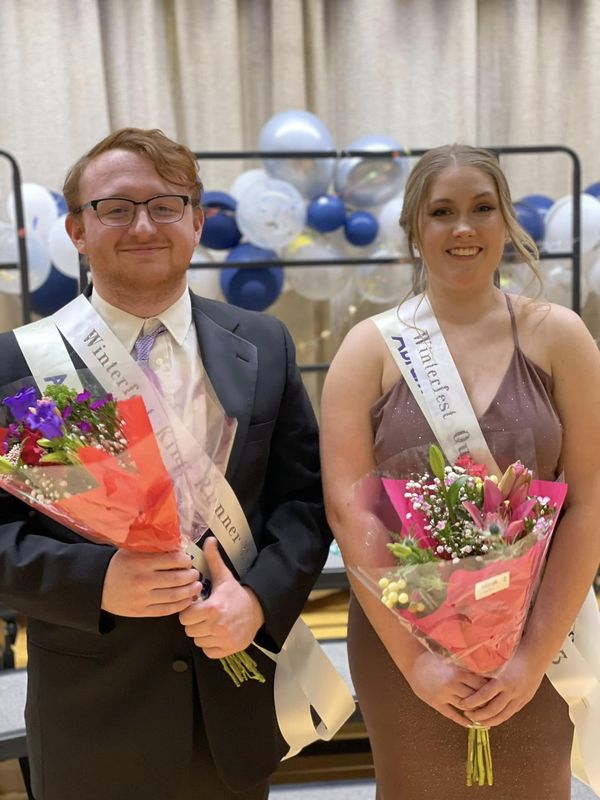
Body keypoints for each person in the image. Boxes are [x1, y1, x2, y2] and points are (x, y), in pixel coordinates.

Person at [0, 128, 331, 800]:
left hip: (231, 700)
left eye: (165, 205)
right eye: (115, 208)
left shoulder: (263, 343)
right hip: (93, 718)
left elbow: (303, 503)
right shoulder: (22, 365)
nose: (143, 225)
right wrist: (93, 580)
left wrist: (259, 599)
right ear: (76, 230)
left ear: (198, 221)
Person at [321, 144, 600, 799]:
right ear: (415, 230)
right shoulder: (370, 347)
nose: (463, 227)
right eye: (441, 211)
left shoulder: (561, 337)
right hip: (407, 642)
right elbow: (348, 509)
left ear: (507, 222)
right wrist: (419, 663)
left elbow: (589, 500)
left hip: (542, 634)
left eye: (482, 208)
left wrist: (531, 658)